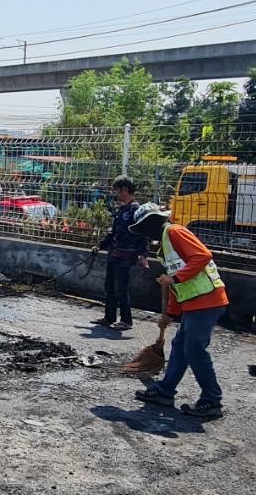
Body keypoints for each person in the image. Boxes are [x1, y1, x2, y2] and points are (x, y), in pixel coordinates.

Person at [128, 203, 230, 418]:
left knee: (194, 349)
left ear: (153, 223)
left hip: (207, 299)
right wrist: (171, 314)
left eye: (143, 228)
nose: (143, 233)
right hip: (194, 302)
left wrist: (174, 278)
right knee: (180, 346)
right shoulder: (164, 247)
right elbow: (177, 287)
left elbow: (202, 256)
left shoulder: (175, 232)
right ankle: (165, 391)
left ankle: (212, 399)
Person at [93, 175, 144, 331]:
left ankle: (126, 320)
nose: (116, 194)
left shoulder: (136, 210)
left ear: (125, 190)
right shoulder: (121, 210)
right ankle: (109, 317)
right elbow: (113, 232)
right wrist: (100, 246)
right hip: (114, 254)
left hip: (126, 256)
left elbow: (143, 233)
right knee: (109, 286)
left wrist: (143, 253)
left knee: (121, 289)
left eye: (117, 191)